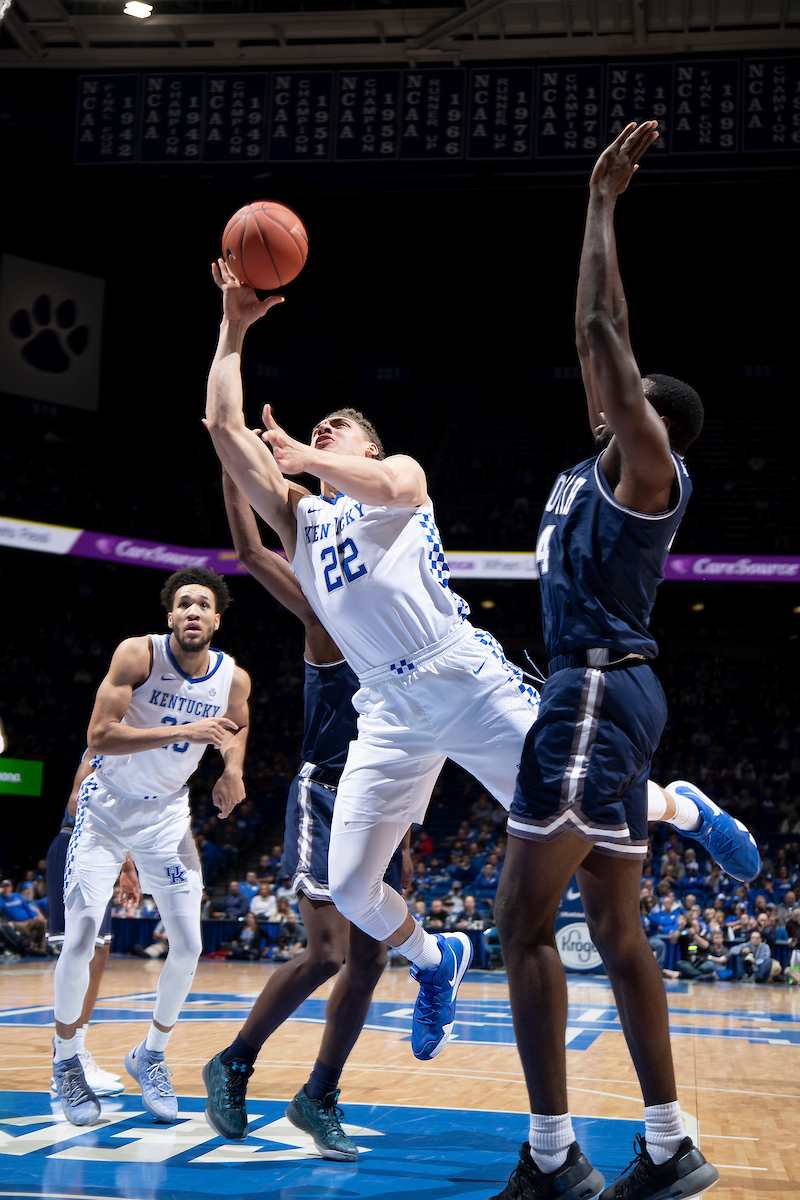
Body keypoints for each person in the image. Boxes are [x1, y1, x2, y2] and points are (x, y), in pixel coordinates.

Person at [204, 247, 759, 1085]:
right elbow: (222, 429)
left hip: (460, 676)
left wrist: (312, 457)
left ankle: (679, 806)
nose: (321, 432)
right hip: (384, 710)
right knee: (351, 888)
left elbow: (383, 486)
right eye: (316, 430)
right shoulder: (300, 519)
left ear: (366, 445)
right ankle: (435, 959)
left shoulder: (401, 479)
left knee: (573, 805)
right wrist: (233, 328)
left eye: (337, 428)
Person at [489, 124, 727, 1200]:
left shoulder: (645, 472)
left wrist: (601, 212)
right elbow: (596, 333)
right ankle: (669, 1144)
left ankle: (550, 1161)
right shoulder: (594, 463)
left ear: (647, 422)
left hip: (588, 690)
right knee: (613, 925)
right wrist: (595, 195)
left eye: (619, 386)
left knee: (517, 924)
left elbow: (599, 324)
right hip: (607, 693)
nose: (597, 379)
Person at [202, 467, 410, 1160]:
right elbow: (252, 554)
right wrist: (235, 467)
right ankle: (234, 1062)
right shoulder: (327, 616)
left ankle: (318, 1095)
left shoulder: (411, 625)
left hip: (386, 797)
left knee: (372, 959)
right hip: (327, 790)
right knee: (329, 952)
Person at [51, 566, 251, 1128]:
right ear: (170, 617)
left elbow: (236, 726)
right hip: (105, 810)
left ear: (217, 618)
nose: (192, 611)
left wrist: (231, 770)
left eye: (203, 604)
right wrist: (184, 732)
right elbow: (98, 735)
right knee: (82, 937)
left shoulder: (232, 678)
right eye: (183, 603)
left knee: (189, 944)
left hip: (167, 819)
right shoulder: (137, 655)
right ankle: (66, 1061)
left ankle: (151, 1055)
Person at [46, 754, 141, 1098]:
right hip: (78, 844)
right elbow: (76, 801)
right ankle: (65, 1058)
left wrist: (126, 862)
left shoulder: (139, 763)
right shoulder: (102, 748)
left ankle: (76, 1052)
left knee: (99, 952)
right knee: (83, 952)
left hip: (104, 851)